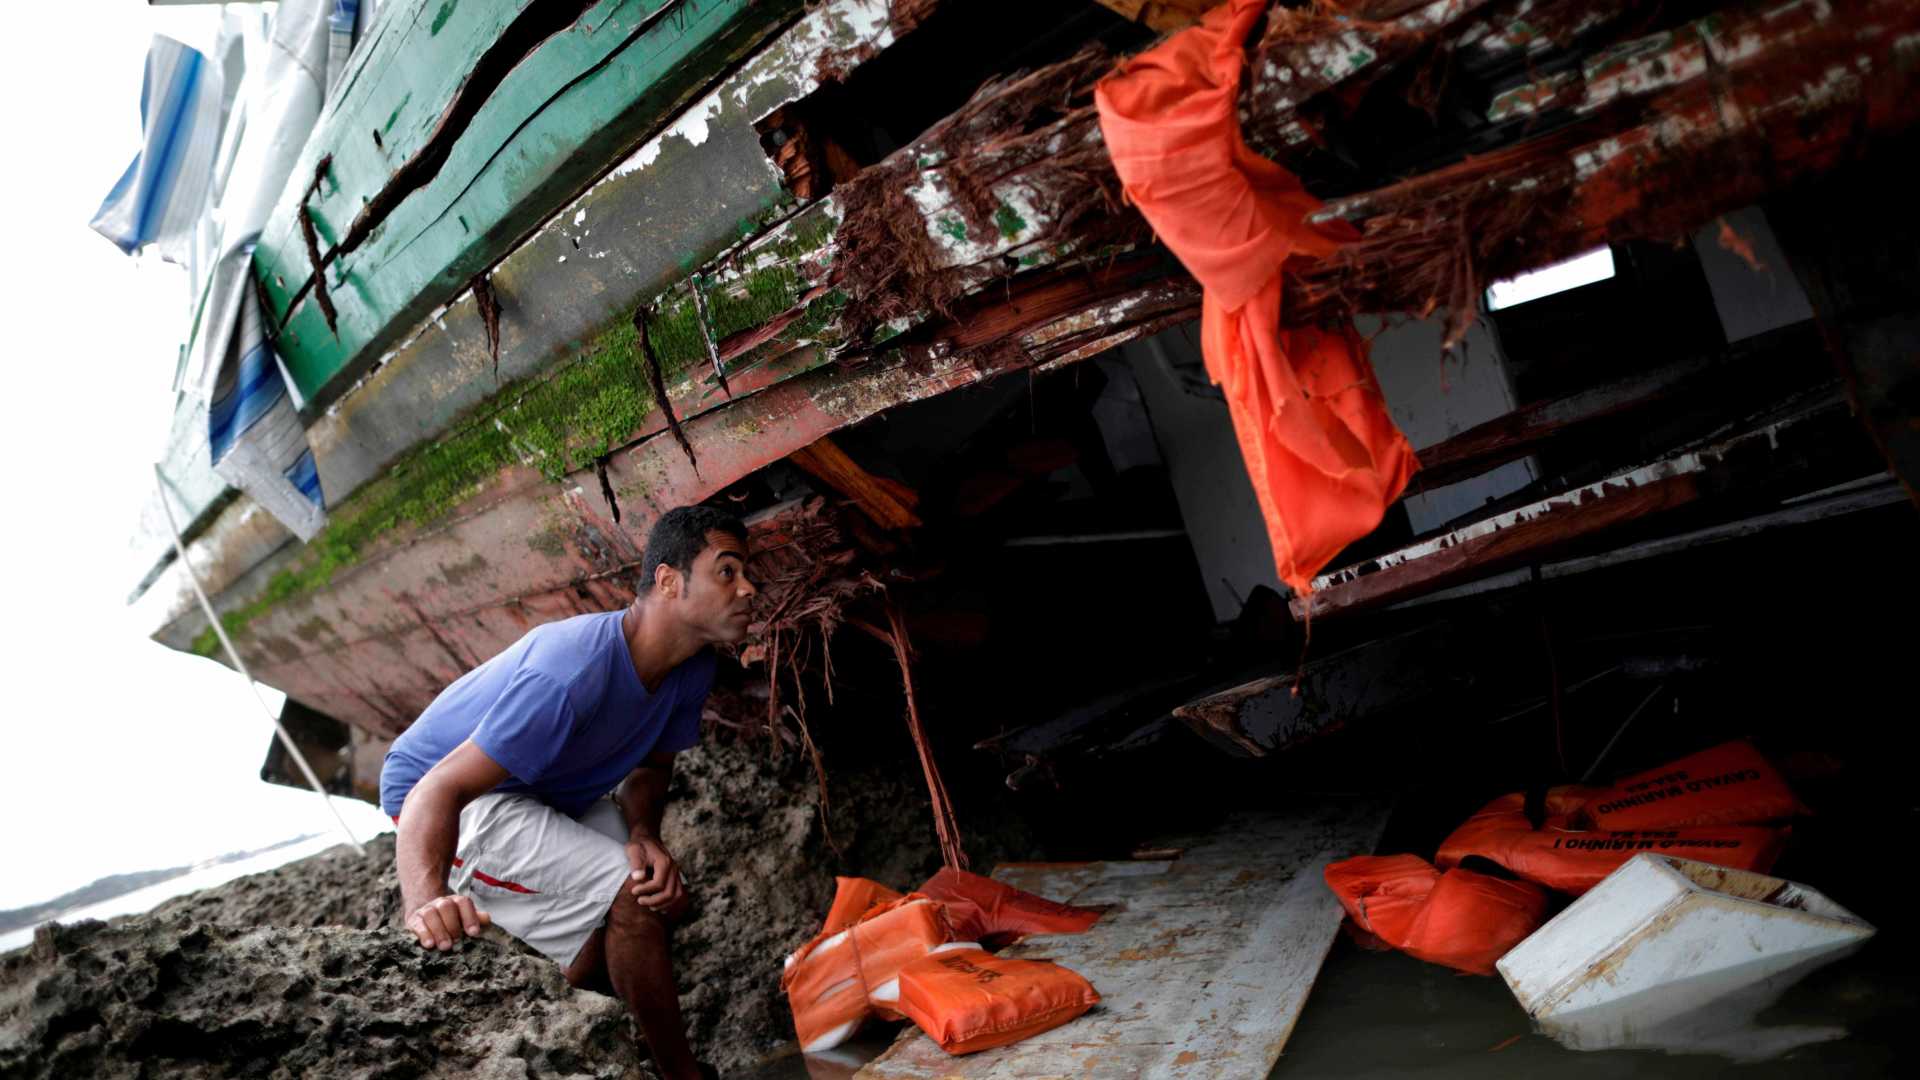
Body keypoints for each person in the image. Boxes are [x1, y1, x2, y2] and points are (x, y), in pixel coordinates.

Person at [379, 505, 755, 1080]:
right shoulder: (569, 674)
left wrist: (644, 833)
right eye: (727, 571)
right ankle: (682, 1074)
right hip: (444, 800)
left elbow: (652, 767)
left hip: (537, 789)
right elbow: (439, 785)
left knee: (644, 900)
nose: (748, 587)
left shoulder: (692, 666)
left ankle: (590, 1043)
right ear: (669, 581)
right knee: (629, 894)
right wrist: (424, 903)